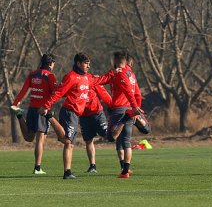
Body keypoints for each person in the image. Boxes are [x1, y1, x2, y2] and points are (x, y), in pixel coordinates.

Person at [38, 52, 111, 179]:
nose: (88, 66)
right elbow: (59, 93)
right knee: (67, 142)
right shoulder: (71, 77)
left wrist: (115, 72)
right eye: (85, 63)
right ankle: (50, 116)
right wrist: (46, 105)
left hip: (76, 115)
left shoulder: (88, 78)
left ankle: (67, 172)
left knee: (69, 143)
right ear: (78, 63)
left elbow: (102, 79)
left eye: (89, 63)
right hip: (69, 112)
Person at [10, 54, 65, 174]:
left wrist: (15, 103)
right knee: (40, 139)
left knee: (29, 137)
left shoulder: (33, 74)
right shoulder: (50, 76)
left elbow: (23, 91)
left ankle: (19, 115)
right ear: (51, 63)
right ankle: (37, 168)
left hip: (31, 109)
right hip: (42, 110)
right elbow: (56, 92)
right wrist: (63, 89)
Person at [106, 51, 144, 179]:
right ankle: (125, 170)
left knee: (115, 138)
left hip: (120, 108)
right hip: (129, 109)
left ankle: (124, 170)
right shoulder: (131, 74)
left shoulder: (118, 73)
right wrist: (136, 108)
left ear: (116, 61)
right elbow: (137, 93)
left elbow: (129, 91)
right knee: (125, 141)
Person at [79, 78, 111, 173]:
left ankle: (123, 162)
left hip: (97, 114)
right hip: (84, 116)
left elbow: (104, 95)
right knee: (88, 140)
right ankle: (92, 166)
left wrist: (113, 106)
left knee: (108, 135)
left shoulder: (93, 80)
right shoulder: (75, 81)